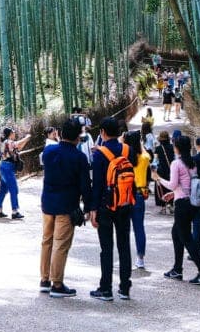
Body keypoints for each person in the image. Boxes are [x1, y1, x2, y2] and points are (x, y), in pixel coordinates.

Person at [39, 118, 93, 298]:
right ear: (78, 137)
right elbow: (85, 186)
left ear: (60, 134)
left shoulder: (48, 152)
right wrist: (88, 208)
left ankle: (45, 279)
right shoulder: (79, 157)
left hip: (47, 204)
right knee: (60, 244)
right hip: (67, 205)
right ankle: (57, 283)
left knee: (47, 241)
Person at [152, 135, 200, 285]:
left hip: (182, 206)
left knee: (186, 238)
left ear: (177, 147)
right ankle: (177, 269)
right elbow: (186, 185)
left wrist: (158, 179)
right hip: (190, 203)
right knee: (176, 234)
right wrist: (173, 193)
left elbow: (172, 184)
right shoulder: (192, 163)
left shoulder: (176, 163)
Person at [88, 117, 134, 301]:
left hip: (106, 206)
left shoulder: (100, 154)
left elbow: (97, 184)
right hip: (124, 203)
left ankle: (106, 288)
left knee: (106, 248)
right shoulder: (127, 150)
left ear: (102, 133)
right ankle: (124, 287)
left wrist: (93, 209)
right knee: (124, 246)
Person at [124, 130, 151, 269]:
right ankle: (140, 258)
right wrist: (140, 144)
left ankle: (125, 257)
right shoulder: (145, 158)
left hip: (125, 194)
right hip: (139, 194)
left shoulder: (123, 157)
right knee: (139, 227)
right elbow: (146, 154)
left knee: (124, 228)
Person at [0, 127, 32, 219]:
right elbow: (18, 144)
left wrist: (26, 140)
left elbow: (19, 147)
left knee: (3, 190)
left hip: (4, 167)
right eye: (14, 132)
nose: (15, 134)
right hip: (8, 168)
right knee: (14, 189)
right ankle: (15, 211)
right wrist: (27, 137)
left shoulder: (5, 142)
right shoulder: (8, 142)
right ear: (10, 133)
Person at [153, 130, 174, 212]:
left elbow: (155, 160)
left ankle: (163, 206)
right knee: (170, 186)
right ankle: (170, 204)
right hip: (171, 170)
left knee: (161, 187)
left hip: (161, 170)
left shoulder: (158, 149)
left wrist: (153, 170)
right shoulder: (172, 147)